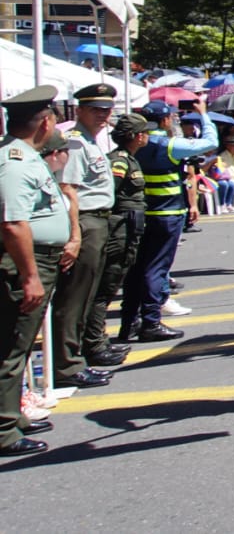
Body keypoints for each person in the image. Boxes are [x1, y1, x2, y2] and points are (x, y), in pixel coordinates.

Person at [0, 87, 73, 458]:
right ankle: (3, 429)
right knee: (12, 346)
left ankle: (12, 415)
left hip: (38, 259)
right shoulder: (15, 161)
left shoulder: (24, 156)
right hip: (25, 263)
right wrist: (30, 276)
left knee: (22, 344)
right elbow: (13, 223)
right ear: (45, 123)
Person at [126, 98, 217, 342]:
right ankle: (151, 321)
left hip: (141, 213)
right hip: (167, 213)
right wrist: (203, 114)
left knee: (138, 268)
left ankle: (130, 322)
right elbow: (211, 143)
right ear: (166, 120)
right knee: (157, 269)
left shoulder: (135, 143)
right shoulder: (169, 145)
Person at [51, 84, 121, 389]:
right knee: (75, 296)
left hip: (98, 221)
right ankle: (67, 364)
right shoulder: (76, 143)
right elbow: (68, 190)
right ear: (79, 110)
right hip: (86, 222)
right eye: (95, 110)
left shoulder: (91, 141)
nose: (102, 115)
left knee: (88, 294)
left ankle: (77, 355)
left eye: (106, 110)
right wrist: (75, 234)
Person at [98, 113, 153, 360]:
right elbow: (110, 193)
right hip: (120, 226)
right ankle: (96, 342)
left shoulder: (130, 159)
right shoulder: (119, 161)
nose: (147, 136)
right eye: (145, 132)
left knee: (122, 278)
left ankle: (106, 336)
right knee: (108, 284)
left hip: (130, 227)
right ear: (137, 136)